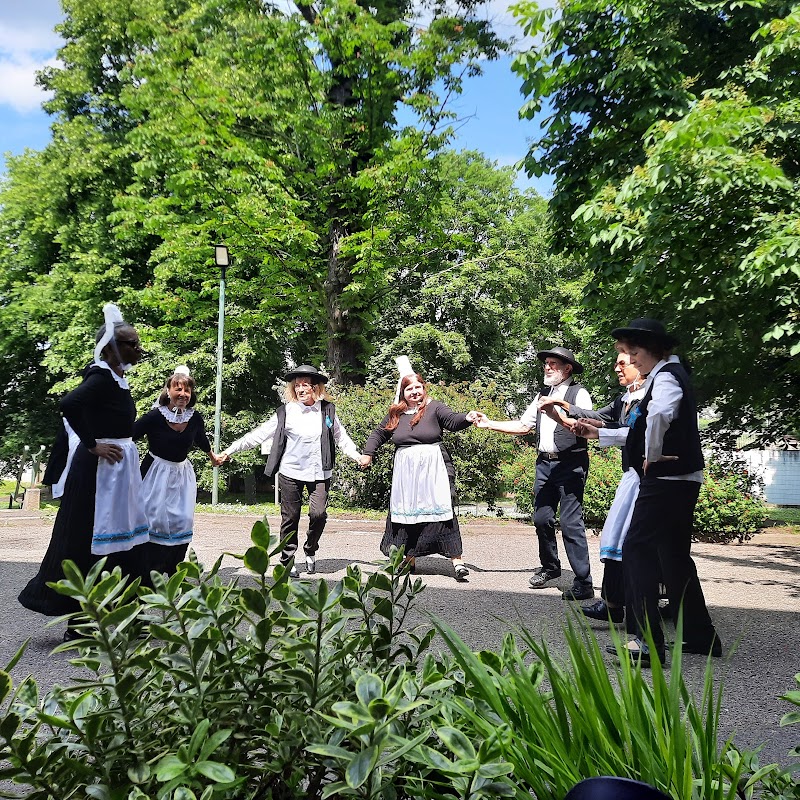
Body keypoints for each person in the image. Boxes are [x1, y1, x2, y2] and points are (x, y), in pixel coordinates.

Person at [575, 318, 722, 666]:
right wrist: (601, 435)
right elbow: (641, 428)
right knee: (673, 557)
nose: (631, 359)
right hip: (681, 479)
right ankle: (702, 636)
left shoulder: (667, 376)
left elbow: (659, 416)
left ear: (654, 349)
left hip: (666, 479)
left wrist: (651, 455)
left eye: (633, 352)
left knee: (636, 549)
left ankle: (646, 642)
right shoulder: (665, 375)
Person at [18, 304, 149, 640]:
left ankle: (125, 613)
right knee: (87, 542)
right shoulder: (100, 377)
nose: (138, 349)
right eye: (132, 344)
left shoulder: (117, 379)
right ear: (110, 349)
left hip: (117, 474)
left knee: (125, 543)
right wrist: (93, 444)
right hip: (98, 474)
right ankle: (79, 622)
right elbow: (69, 404)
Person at [216, 365, 363, 577]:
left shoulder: (327, 410)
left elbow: (341, 438)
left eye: (305, 385)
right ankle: (288, 558)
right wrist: (229, 451)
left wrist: (357, 456)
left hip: (320, 473)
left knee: (318, 514)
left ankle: (310, 549)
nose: (301, 389)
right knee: (290, 517)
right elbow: (258, 435)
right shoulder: (286, 412)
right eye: (297, 386)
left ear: (316, 388)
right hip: (290, 473)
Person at [475, 347, 594, 600]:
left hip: (571, 464)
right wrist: (489, 424)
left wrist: (558, 411)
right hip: (545, 464)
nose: (547, 367)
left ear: (567, 369)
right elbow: (523, 425)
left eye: (553, 363)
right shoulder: (542, 394)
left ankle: (583, 582)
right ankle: (551, 568)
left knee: (571, 524)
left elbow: (587, 427)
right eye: (546, 363)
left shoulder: (578, 394)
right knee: (541, 519)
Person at [539, 350, 645, 623]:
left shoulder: (649, 397)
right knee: (617, 541)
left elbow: (632, 432)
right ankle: (613, 604)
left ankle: (639, 609)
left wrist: (592, 429)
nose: (617, 368)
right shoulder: (625, 398)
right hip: (632, 475)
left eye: (622, 363)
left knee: (631, 543)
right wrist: (566, 412)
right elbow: (600, 416)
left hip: (647, 477)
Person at [360, 373, 479, 581]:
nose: (415, 392)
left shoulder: (435, 407)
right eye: (409, 389)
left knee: (443, 511)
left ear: (424, 388)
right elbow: (379, 433)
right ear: (402, 393)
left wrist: (467, 418)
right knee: (408, 513)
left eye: (418, 387)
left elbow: (452, 420)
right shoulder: (396, 413)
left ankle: (457, 561)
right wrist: (368, 454)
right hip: (406, 472)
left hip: (434, 467)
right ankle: (409, 560)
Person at [133, 366, 217, 578]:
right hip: (155, 473)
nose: (182, 394)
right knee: (153, 520)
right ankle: (148, 572)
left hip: (181, 475)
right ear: (168, 391)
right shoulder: (154, 416)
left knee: (182, 520)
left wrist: (212, 456)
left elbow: (201, 439)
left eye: (187, 390)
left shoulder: (194, 417)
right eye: (177, 389)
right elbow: (130, 434)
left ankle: (172, 570)